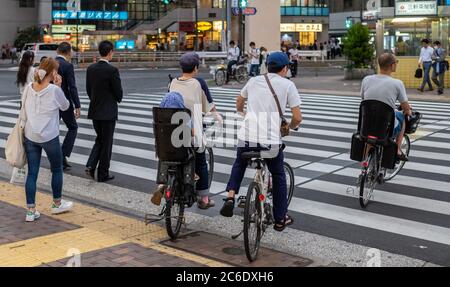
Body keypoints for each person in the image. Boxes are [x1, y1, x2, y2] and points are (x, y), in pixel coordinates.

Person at [220, 52, 303, 232]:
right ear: (284, 68)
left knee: (239, 163)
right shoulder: (288, 85)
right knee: (279, 176)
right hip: (270, 143)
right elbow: (298, 117)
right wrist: (290, 126)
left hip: (246, 139)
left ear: (266, 66)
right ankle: (280, 219)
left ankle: (230, 196)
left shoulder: (253, 81)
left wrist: (243, 113)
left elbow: (239, 101)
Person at [22, 58, 73, 222]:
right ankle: (57, 204)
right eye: (56, 71)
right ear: (52, 72)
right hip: (49, 136)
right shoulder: (53, 90)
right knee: (56, 169)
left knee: (32, 173)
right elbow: (65, 106)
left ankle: (30, 211)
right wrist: (58, 86)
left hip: (31, 135)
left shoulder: (29, 88)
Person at [168, 52, 216, 209]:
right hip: (192, 132)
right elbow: (209, 107)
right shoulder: (199, 83)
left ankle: (164, 186)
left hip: (172, 131)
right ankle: (204, 199)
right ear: (196, 68)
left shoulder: (172, 83)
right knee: (201, 162)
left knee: (170, 158)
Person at [361, 53, 412, 161]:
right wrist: (408, 111)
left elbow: (364, 99)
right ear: (392, 65)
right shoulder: (397, 83)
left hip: (366, 125)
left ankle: (365, 165)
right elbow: (405, 106)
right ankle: (397, 150)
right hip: (385, 127)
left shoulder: (366, 79)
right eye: (396, 62)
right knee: (402, 118)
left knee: (370, 138)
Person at [85, 40, 123, 182]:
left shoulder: (91, 69)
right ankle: (103, 173)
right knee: (107, 143)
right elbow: (119, 94)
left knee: (100, 139)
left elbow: (89, 90)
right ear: (110, 52)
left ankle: (90, 165)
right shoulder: (112, 70)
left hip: (95, 110)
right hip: (108, 112)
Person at [55, 42, 80, 170]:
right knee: (73, 127)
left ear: (57, 51)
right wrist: (77, 105)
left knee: (53, 130)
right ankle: (62, 155)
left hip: (50, 102)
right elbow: (72, 87)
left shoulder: (50, 63)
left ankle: (58, 158)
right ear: (69, 52)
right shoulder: (67, 66)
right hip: (64, 102)